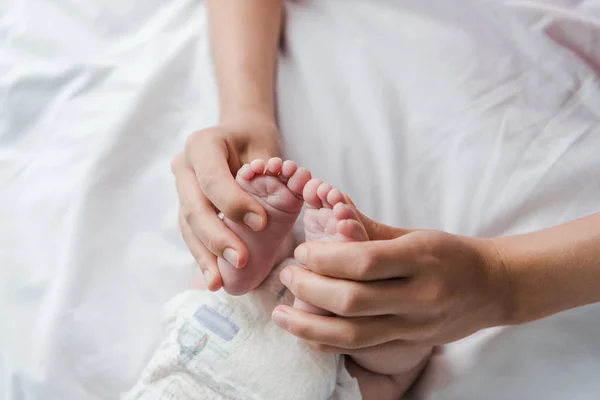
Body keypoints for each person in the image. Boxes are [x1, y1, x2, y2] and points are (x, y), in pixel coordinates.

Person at [170, 0, 600, 396]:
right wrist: (246, 113)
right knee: (381, 354)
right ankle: (296, 272)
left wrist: (505, 281)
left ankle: (258, 254)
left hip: (186, 358)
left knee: (223, 288)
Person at [127, 158, 427, 399]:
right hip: (199, 349)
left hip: (194, 355)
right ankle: (302, 275)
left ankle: (250, 256)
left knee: (395, 360)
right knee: (400, 354)